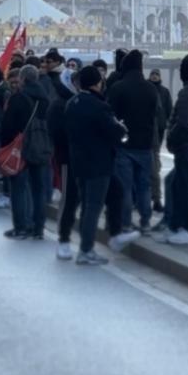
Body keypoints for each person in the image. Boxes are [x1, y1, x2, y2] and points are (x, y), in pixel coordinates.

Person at [64, 66, 126, 267]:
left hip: (78, 161)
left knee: (87, 205)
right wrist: (120, 127)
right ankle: (86, 250)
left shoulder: (72, 103)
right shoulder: (99, 106)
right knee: (93, 206)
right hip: (99, 162)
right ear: (97, 82)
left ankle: (87, 245)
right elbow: (114, 132)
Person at [0, 64, 54, 240]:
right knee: (38, 189)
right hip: (41, 148)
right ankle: (38, 228)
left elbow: (7, 126)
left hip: (20, 148)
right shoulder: (46, 99)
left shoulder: (18, 98)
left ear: (22, 79)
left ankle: (21, 226)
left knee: (19, 188)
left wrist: (6, 146)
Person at [107, 50, 159, 234]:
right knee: (144, 186)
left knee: (125, 186)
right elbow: (156, 114)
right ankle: (145, 222)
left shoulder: (118, 88)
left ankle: (126, 223)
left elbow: (110, 115)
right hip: (145, 144)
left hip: (124, 144)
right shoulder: (151, 88)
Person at [158, 55, 188, 245]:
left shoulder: (187, 94)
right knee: (176, 184)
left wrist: (171, 139)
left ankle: (187, 228)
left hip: (185, 147)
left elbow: (183, 124)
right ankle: (175, 225)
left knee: (184, 188)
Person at [148, 67, 172, 217]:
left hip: (159, 129)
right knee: (153, 164)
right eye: (153, 74)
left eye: (156, 74)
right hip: (149, 131)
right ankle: (154, 199)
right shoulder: (147, 89)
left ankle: (154, 198)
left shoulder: (164, 91)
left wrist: (166, 122)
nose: (154, 76)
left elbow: (168, 108)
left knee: (154, 160)